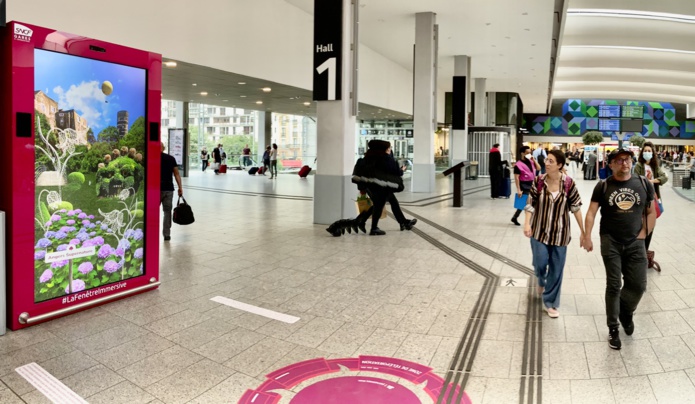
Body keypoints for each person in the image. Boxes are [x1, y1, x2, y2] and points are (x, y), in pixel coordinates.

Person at [582, 148, 656, 350]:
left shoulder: (643, 183)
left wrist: (643, 233)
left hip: (635, 242)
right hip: (610, 240)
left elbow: (651, 211)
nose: (625, 163)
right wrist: (586, 235)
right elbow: (591, 212)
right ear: (611, 164)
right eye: (619, 160)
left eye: (628, 159)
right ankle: (613, 328)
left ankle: (626, 311)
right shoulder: (603, 186)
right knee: (614, 285)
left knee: (639, 285)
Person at [523, 150, 584, 318]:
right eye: (546, 160)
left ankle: (550, 302)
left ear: (559, 165)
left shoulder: (569, 183)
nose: (546, 163)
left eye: (551, 161)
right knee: (540, 263)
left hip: (560, 234)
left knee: (556, 269)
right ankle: (541, 279)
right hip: (539, 231)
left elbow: (576, 208)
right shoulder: (539, 181)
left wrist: (584, 233)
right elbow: (530, 204)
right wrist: (527, 223)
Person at [352, 140, 417, 235]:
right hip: (382, 187)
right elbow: (395, 172)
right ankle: (370, 227)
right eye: (388, 148)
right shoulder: (385, 158)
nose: (390, 149)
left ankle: (403, 222)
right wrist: (402, 170)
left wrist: (362, 188)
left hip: (370, 186)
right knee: (378, 206)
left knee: (390, 203)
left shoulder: (368, 157)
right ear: (383, 149)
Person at [634, 142, 667, 270]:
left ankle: (645, 253)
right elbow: (636, 180)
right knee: (642, 226)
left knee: (651, 226)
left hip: (653, 199)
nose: (648, 152)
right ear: (642, 152)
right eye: (645, 150)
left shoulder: (654, 167)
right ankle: (640, 253)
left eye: (649, 150)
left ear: (652, 153)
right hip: (642, 200)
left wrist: (652, 181)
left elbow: (664, 177)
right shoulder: (638, 166)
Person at [160, 143, 183, 241]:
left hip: (154, 189)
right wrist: (180, 187)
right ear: (163, 148)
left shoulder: (151, 158)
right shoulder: (171, 158)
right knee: (167, 212)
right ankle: (167, 234)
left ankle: (151, 232)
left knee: (152, 212)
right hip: (168, 189)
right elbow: (176, 174)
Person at [512, 145, 540, 226]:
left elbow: (538, 168)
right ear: (522, 153)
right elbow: (516, 178)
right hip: (524, 185)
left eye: (530, 153)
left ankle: (515, 217)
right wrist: (518, 190)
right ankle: (530, 221)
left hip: (533, 183)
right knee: (527, 203)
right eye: (527, 153)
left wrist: (534, 160)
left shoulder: (531, 161)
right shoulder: (518, 165)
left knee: (524, 203)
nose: (529, 154)